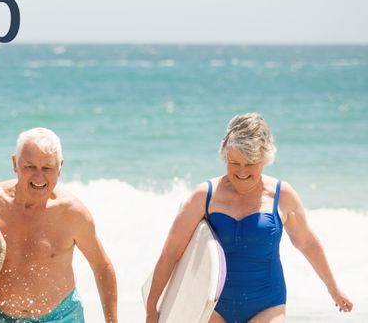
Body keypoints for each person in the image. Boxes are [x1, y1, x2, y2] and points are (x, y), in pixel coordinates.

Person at [146, 113, 353, 322]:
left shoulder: (282, 196)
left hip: (267, 304)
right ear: (225, 157)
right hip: (214, 307)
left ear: (264, 159)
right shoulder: (204, 196)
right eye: (234, 163)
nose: (242, 171)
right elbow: (172, 253)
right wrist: (151, 306)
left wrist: (333, 289)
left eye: (250, 163)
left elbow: (307, 243)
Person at [0, 127, 118, 323]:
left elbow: (102, 267)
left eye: (48, 168)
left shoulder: (72, 213)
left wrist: (112, 321)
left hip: (62, 317)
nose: (39, 177)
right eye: (30, 166)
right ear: (15, 163)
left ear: (60, 166)